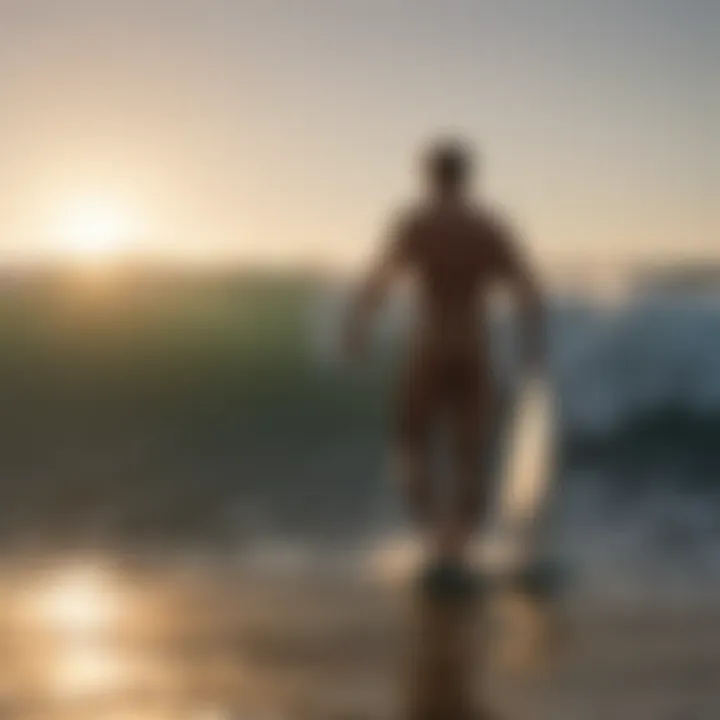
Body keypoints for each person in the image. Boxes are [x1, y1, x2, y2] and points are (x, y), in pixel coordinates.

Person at [344, 138, 544, 565]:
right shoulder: (489, 227)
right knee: (470, 449)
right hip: (474, 343)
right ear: (468, 177)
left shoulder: (417, 223)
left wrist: (358, 328)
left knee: (409, 441)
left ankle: (435, 536)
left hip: (430, 343)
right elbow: (527, 290)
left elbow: (380, 278)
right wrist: (532, 350)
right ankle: (462, 540)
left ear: (429, 176)